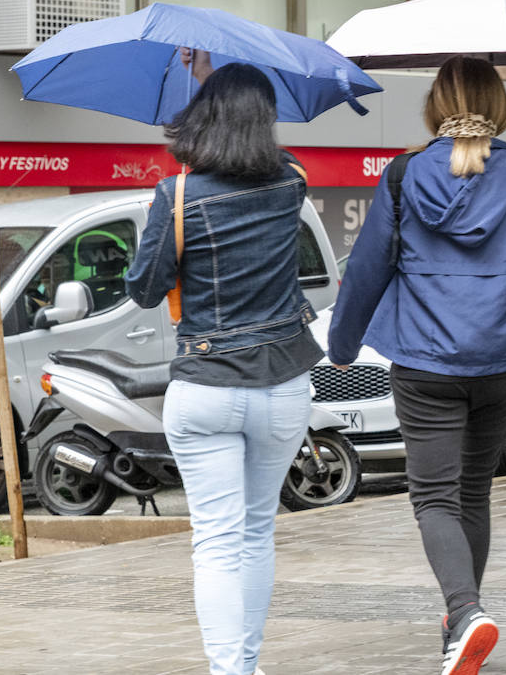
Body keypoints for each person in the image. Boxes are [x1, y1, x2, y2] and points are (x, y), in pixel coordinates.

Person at [328, 56, 506, 675]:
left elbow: (368, 269)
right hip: (503, 361)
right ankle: (461, 624)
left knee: (433, 496)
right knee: (472, 491)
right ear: (501, 108)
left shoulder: (405, 175)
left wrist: (342, 346)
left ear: (436, 106)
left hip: (425, 361)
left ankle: (464, 612)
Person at [126, 63, 321, 675]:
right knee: (256, 532)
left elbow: (144, 289)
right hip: (284, 382)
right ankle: (248, 664)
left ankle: (230, 671)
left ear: (203, 116)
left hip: (206, 386)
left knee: (215, 541)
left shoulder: (177, 195)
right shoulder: (292, 182)